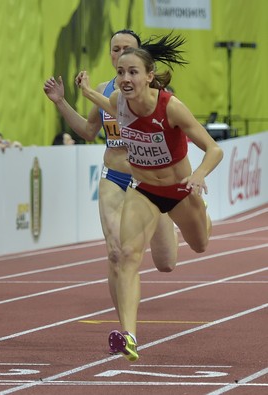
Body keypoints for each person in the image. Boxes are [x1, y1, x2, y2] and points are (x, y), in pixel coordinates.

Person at [76, 46, 223, 361]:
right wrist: (87, 92)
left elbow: (214, 149)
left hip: (181, 190)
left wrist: (197, 175)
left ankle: (205, 219)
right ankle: (129, 335)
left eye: (132, 73)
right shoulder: (119, 102)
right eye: (120, 73)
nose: (125, 79)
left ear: (149, 76)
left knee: (199, 245)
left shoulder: (171, 107)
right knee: (127, 255)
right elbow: (109, 105)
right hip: (142, 190)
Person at [44, 30, 182, 355]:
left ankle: (169, 220)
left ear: (141, 56)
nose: (120, 54)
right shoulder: (108, 90)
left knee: (166, 263)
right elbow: (89, 131)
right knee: (116, 253)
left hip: (150, 182)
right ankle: (126, 333)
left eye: (127, 49)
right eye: (115, 49)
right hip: (114, 176)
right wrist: (61, 101)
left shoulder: (156, 94)